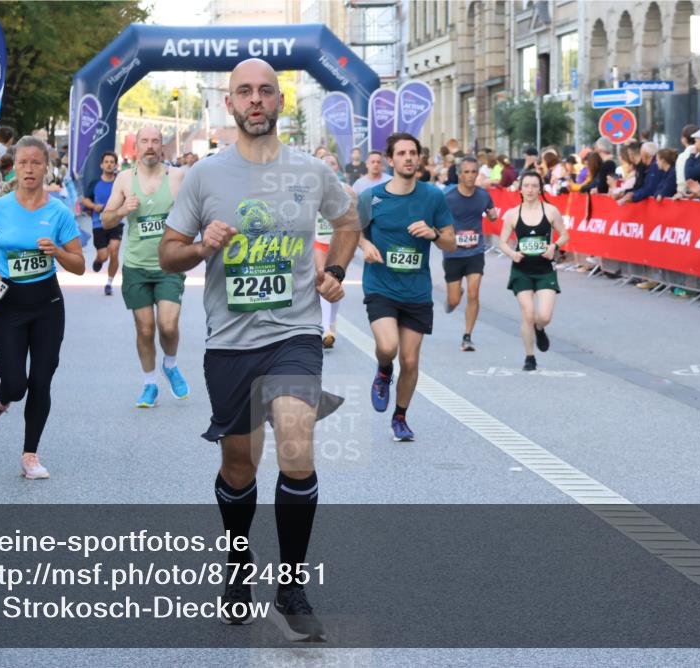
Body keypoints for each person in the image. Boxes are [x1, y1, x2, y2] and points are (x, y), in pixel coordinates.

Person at [159, 58, 359, 641]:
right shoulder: (204, 177)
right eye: (244, 91)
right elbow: (168, 254)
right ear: (229, 103)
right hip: (230, 342)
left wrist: (334, 270)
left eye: (266, 91)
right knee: (239, 465)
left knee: (296, 441)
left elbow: (348, 221)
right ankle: (238, 565)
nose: (255, 100)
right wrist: (200, 247)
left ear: (279, 102)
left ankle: (291, 588)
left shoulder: (310, 171)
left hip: (295, 335)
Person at [0, 136, 85, 479]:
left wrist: (58, 252)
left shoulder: (59, 212)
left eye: (36, 162)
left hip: (47, 304)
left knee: (40, 381)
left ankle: (30, 455)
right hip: (10, 303)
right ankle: (2, 396)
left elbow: (79, 265)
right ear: (14, 167)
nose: (29, 169)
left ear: (46, 167)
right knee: (15, 384)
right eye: (23, 162)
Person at [358, 132, 456, 441]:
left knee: (411, 360)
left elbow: (450, 242)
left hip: (416, 290)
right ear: (390, 160)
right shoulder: (371, 197)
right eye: (401, 153)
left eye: (413, 152)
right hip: (381, 286)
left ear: (419, 157)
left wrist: (433, 234)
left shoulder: (433, 197)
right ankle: (383, 368)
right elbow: (353, 231)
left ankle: (400, 417)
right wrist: (365, 245)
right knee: (388, 347)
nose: (409, 158)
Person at [100, 127, 189, 407]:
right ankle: (150, 384)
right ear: (136, 146)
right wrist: (123, 210)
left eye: (155, 141)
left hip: (169, 264)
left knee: (168, 326)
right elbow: (105, 220)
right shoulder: (125, 179)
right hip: (136, 267)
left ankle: (170, 365)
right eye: (144, 141)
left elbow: (197, 213)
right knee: (146, 329)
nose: (150, 146)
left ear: (162, 146)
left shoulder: (177, 177)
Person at [498, 171, 569, 372]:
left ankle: (539, 328)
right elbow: (502, 242)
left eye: (534, 186)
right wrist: (512, 254)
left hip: (545, 269)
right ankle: (530, 357)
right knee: (528, 313)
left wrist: (554, 246)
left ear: (540, 189)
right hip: (522, 270)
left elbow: (565, 234)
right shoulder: (513, 214)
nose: (530, 190)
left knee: (544, 316)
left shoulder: (550, 211)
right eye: (526, 186)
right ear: (520, 189)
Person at [443, 156, 498, 351]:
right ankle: (454, 297)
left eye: (474, 172)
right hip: (453, 253)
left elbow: (492, 214)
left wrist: (493, 215)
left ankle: (467, 336)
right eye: (466, 172)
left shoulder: (483, 195)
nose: (470, 176)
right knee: (453, 301)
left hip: (475, 251)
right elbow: (435, 216)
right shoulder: (448, 196)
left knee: (474, 293)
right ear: (459, 174)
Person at [316, 154, 357, 349]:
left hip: (338, 244)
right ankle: (325, 329)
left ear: (337, 167)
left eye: (332, 163)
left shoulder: (347, 190)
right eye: (324, 163)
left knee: (334, 282)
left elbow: (354, 222)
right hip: (318, 243)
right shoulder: (311, 189)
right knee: (322, 280)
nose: (328, 166)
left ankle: (331, 321)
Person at [82, 151, 121, 295]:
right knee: (104, 256)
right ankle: (99, 259)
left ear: (115, 165)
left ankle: (109, 283)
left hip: (116, 222)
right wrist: (94, 206)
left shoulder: (119, 182)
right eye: (106, 162)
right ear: (101, 165)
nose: (109, 164)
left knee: (114, 250)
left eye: (112, 162)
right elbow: (85, 199)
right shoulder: (95, 182)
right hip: (99, 223)